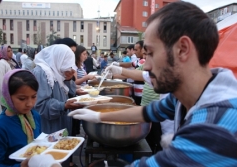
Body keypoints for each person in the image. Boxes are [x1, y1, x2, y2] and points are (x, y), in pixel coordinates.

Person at [69, 2, 237, 166]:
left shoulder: (215, 125)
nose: (146, 66)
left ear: (183, 49)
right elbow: (147, 112)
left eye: (150, 53)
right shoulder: (186, 96)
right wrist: (98, 116)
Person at [0, 69, 41, 166]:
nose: (30, 104)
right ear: (8, 96)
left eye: (33, 96)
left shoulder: (35, 116)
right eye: (22, 99)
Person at [0, 45, 16, 110]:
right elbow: (0, 82)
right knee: (7, 113)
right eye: (8, 51)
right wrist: (7, 95)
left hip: (12, 93)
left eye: (11, 50)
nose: (11, 52)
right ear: (3, 52)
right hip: (6, 95)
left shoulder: (11, 61)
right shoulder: (1, 64)